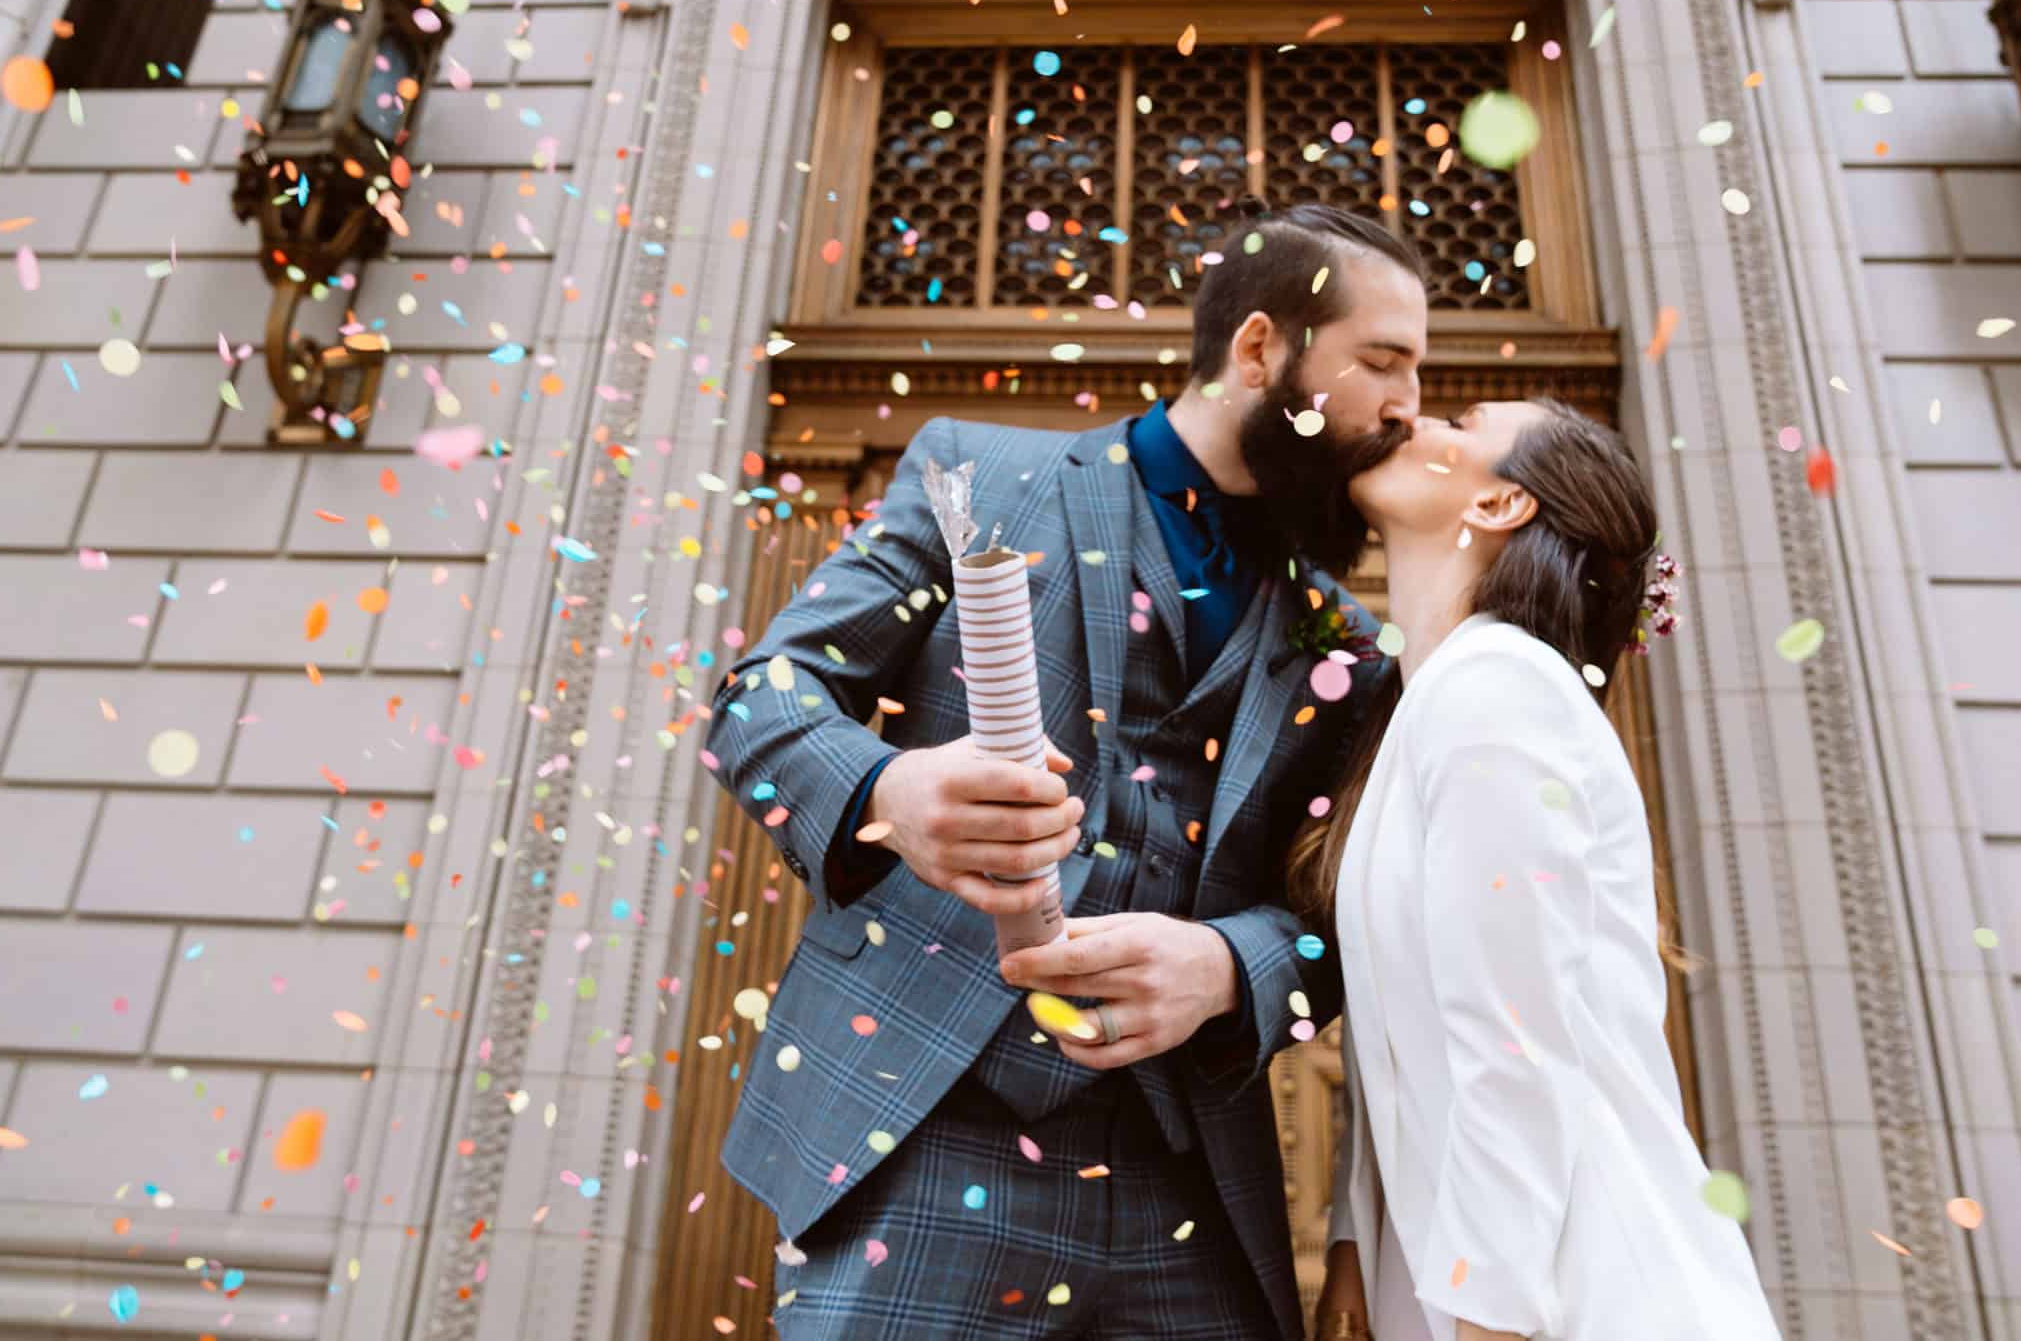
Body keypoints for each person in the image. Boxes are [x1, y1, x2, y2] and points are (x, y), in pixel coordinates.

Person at [703, 200, 1426, 1339]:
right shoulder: (977, 472)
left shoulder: (1350, 642)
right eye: (1382, 362)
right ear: (1258, 349)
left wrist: (1229, 969)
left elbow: (1355, 909)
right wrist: (888, 792)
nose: (1408, 406)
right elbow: (760, 695)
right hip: (919, 1136)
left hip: (1190, 1188)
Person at [1299, 399, 1781, 1341]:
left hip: (1589, 1294)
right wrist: (1356, 1242)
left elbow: (1513, 1044)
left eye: (1459, 420)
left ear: (1499, 503)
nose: (1411, 414)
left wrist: (1488, 1319)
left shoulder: (1499, 687)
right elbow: (1408, 1022)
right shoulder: (1428, 704)